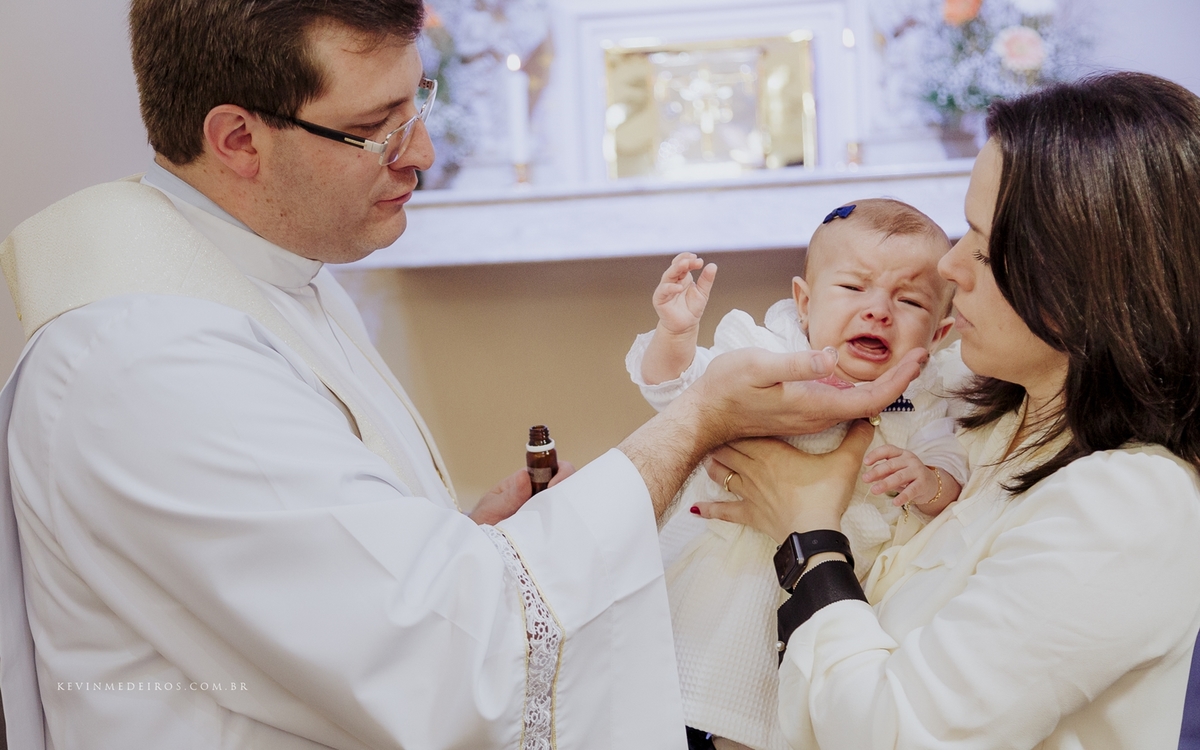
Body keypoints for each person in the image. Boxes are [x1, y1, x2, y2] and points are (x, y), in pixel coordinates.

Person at [0, 1, 926, 748]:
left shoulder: (267, 272)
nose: (422, 153)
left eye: (419, 104)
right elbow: (443, 664)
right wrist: (695, 422)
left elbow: (319, 575)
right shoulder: (152, 362)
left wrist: (457, 539)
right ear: (239, 138)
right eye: (377, 128)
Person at [696, 72, 1200, 749]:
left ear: (1083, 284)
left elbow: (895, 734)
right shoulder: (981, 404)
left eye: (983, 248)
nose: (949, 268)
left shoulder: (1130, 505)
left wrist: (808, 532)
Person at [626, 200, 969, 750]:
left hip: (834, 582)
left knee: (787, 717)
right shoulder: (770, 352)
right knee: (675, 706)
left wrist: (928, 481)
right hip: (731, 575)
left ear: (938, 332)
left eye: (908, 301)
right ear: (805, 304)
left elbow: (951, 464)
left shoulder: (927, 396)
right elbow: (680, 395)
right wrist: (675, 336)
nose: (878, 311)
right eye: (854, 288)